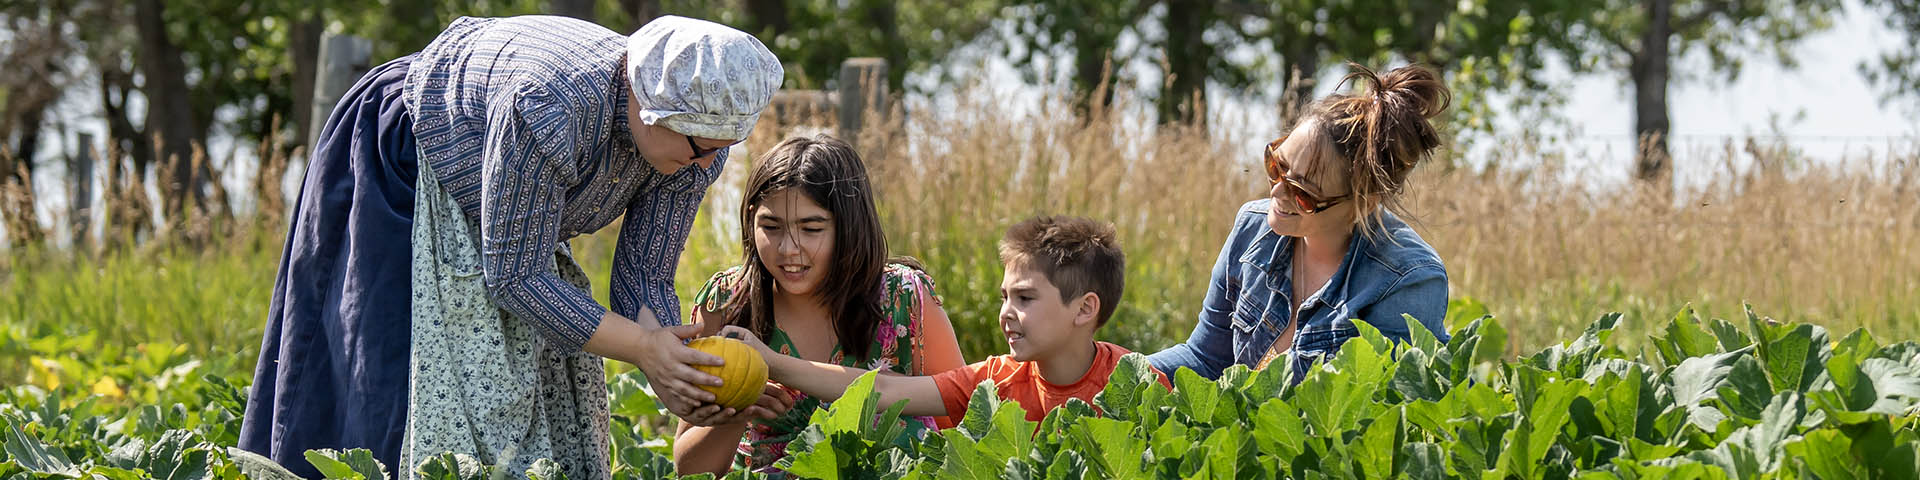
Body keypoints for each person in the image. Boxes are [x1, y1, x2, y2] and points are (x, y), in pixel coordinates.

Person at [238, 14, 784, 478]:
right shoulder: (550, 106)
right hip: (407, 160)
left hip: (505, 215)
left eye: (725, 148)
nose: (710, 164)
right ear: (649, 107)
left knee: (533, 383)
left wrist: (671, 360)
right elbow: (517, 275)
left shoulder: (693, 147)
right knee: (390, 373)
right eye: (700, 146)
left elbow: (644, 276)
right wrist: (642, 349)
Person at [672, 135, 968, 476]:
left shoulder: (906, 300)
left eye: (811, 228)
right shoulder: (726, 303)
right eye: (770, 226)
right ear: (751, 219)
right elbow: (689, 469)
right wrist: (737, 411)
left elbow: (963, 427)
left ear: (849, 226)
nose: (788, 249)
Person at [718, 215, 1171, 432]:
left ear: (1085, 309)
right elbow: (884, 391)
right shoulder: (993, 382)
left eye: (1025, 298)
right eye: (1004, 297)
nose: (1006, 313)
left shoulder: (1135, 383)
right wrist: (772, 363)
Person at [1149, 63, 1454, 381]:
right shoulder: (1252, 228)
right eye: (1276, 165)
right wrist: (1109, 370)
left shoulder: (1409, 279)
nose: (1278, 191)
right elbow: (1205, 358)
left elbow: (1371, 414)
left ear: (1363, 203)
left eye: (1304, 192)